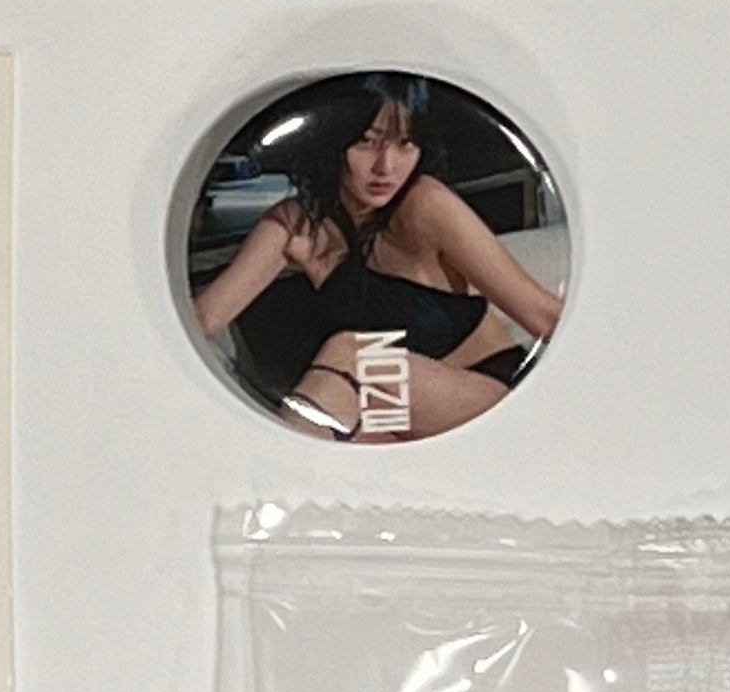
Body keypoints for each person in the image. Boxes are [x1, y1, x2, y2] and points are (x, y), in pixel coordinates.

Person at [192, 75, 564, 439]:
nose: (386, 167)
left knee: (351, 353)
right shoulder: (300, 224)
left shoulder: (427, 204)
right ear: (332, 141)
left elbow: (543, 314)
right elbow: (202, 320)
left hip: (485, 395)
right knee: (331, 440)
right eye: (367, 143)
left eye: (405, 144)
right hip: (388, 413)